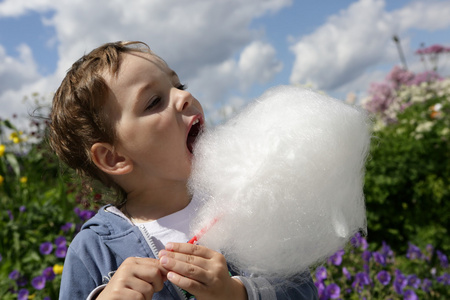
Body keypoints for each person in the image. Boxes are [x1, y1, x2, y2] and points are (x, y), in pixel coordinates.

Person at [49, 41, 318, 300]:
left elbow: (303, 290)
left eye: (179, 85)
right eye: (154, 101)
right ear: (114, 157)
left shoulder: (242, 203)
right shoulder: (94, 250)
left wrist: (237, 294)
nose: (184, 96)